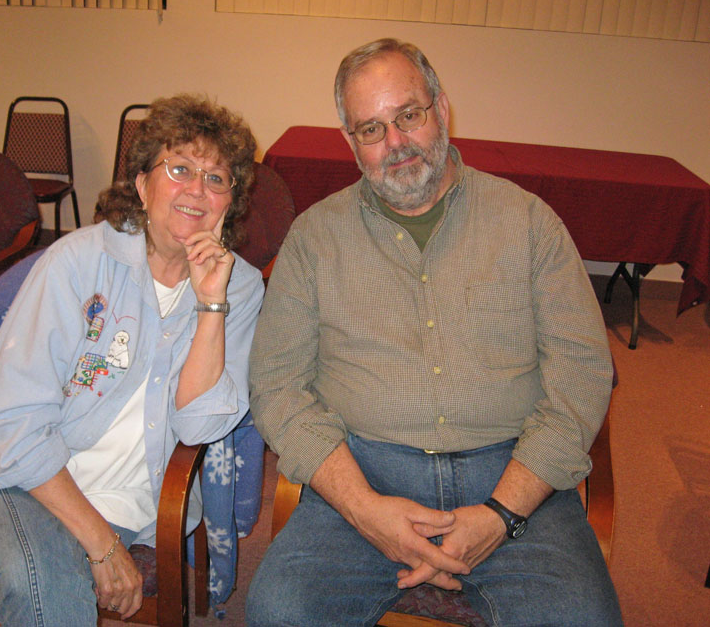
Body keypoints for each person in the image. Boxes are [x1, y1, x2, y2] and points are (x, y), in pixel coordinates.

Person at [246, 39, 622, 626]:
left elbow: (582, 373)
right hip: (362, 475)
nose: (395, 143)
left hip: (515, 477)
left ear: (441, 110)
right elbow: (276, 386)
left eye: (408, 116)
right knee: (280, 612)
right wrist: (365, 510)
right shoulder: (315, 239)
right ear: (350, 143)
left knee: (579, 618)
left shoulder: (527, 223)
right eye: (370, 129)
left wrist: (502, 512)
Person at [0, 94, 264, 626]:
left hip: (132, 495)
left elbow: (198, 426)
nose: (197, 190)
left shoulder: (239, 285)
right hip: (12, 471)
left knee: (53, 587)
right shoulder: (77, 263)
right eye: (179, 169)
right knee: (49, 583)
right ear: (143, 184)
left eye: (216, 178)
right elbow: (14, 425)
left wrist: (210, 304)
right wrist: (103, 548)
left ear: (230, 202)